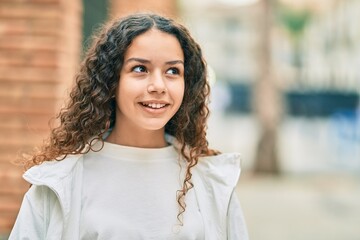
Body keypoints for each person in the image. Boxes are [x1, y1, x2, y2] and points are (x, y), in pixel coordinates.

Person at [9, 13, 249, 240]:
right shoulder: (58, 180)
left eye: (173, 71)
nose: (158, 85)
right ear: (111, 80)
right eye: (140, 69)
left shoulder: (214, 181)